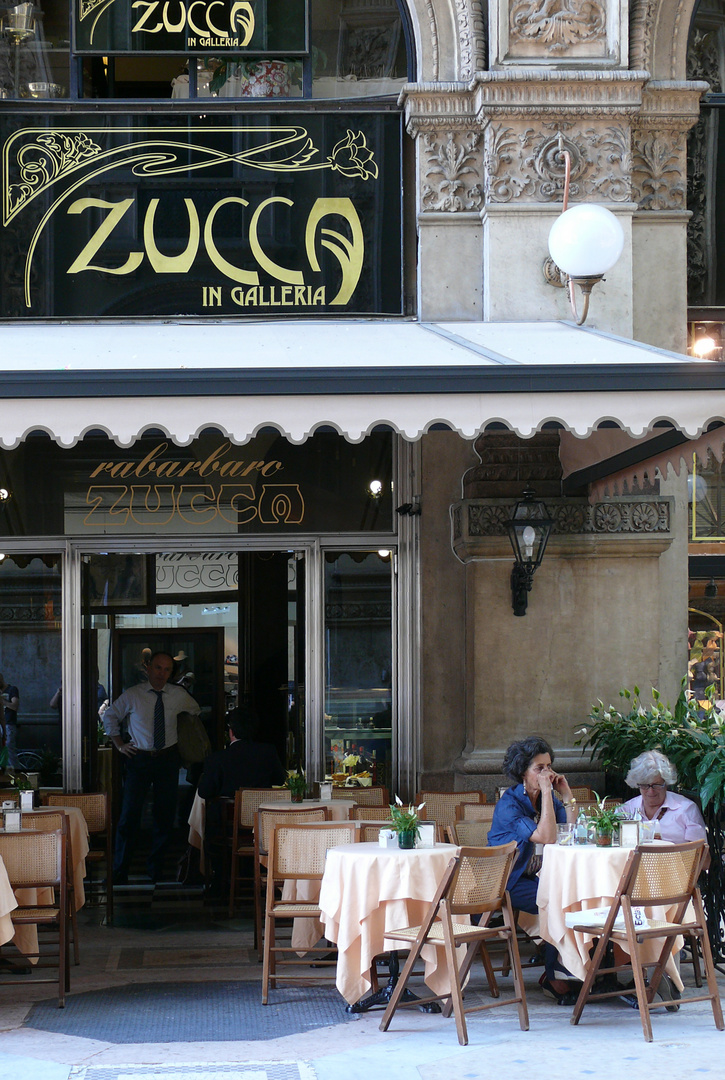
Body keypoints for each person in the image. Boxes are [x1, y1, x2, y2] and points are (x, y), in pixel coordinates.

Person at [487, 735, 579, 1004]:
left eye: (549, 766)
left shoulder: (544, 799)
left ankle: (579, 970)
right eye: (539, 768)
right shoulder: (510, 804)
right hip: (506, 880)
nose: (547, 773)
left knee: (575, 897)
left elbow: (569, 833)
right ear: (522, 773)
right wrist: (549, 793)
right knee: (554, 902)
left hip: (534, 877)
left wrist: (567, 796)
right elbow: (548, 837)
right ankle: (554, 977)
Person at [103, 650, 200, 884]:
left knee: (164, 816)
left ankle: (156, 869)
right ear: (148, 668)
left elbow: (195, 713)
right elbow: (110, 716)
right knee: (129, 816)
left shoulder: (178, 694)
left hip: (168, 759)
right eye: (158, 667)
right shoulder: (133, 695)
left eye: (167, 669)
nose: (162, 673)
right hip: (139, 759)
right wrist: (119, 745)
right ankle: (120, 870)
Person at [198, 706, 287, 802]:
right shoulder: (268, 752)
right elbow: (280, 780)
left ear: (231, 731)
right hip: (261, 814)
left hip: (228, 815)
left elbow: (204, 792)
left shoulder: (216, 759)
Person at [621, 750, 707, 843]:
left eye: (657, 785)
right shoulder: (626, 810)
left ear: (666, 783)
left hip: (677, 857)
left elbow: (702, 854)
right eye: (645, 785)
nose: (651, 791)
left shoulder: (687, 809)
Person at [0, 674, 20, 770]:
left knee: (9, 750)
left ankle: (15, 774)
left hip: (9, 724)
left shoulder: (12, 690)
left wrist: (3, 702)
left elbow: (15, 706)